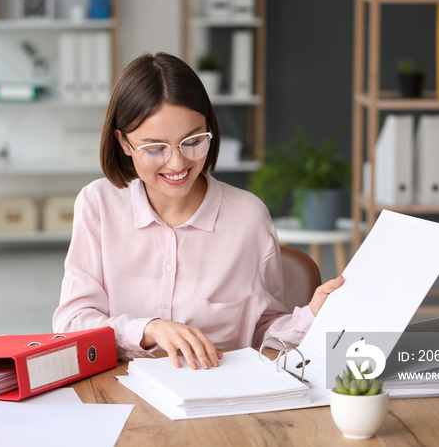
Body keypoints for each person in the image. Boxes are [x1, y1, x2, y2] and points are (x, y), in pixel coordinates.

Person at [53, 52, 343, 370]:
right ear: (123, 143)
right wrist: (148, 329)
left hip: (220, 395)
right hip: (124, 389)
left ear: (210, 129)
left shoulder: (248, 217)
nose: (178, 163)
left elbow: (264, 331)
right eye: (154, 148)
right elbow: (72, 322)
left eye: (193, 140)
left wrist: (313, 314)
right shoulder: (98, 205)